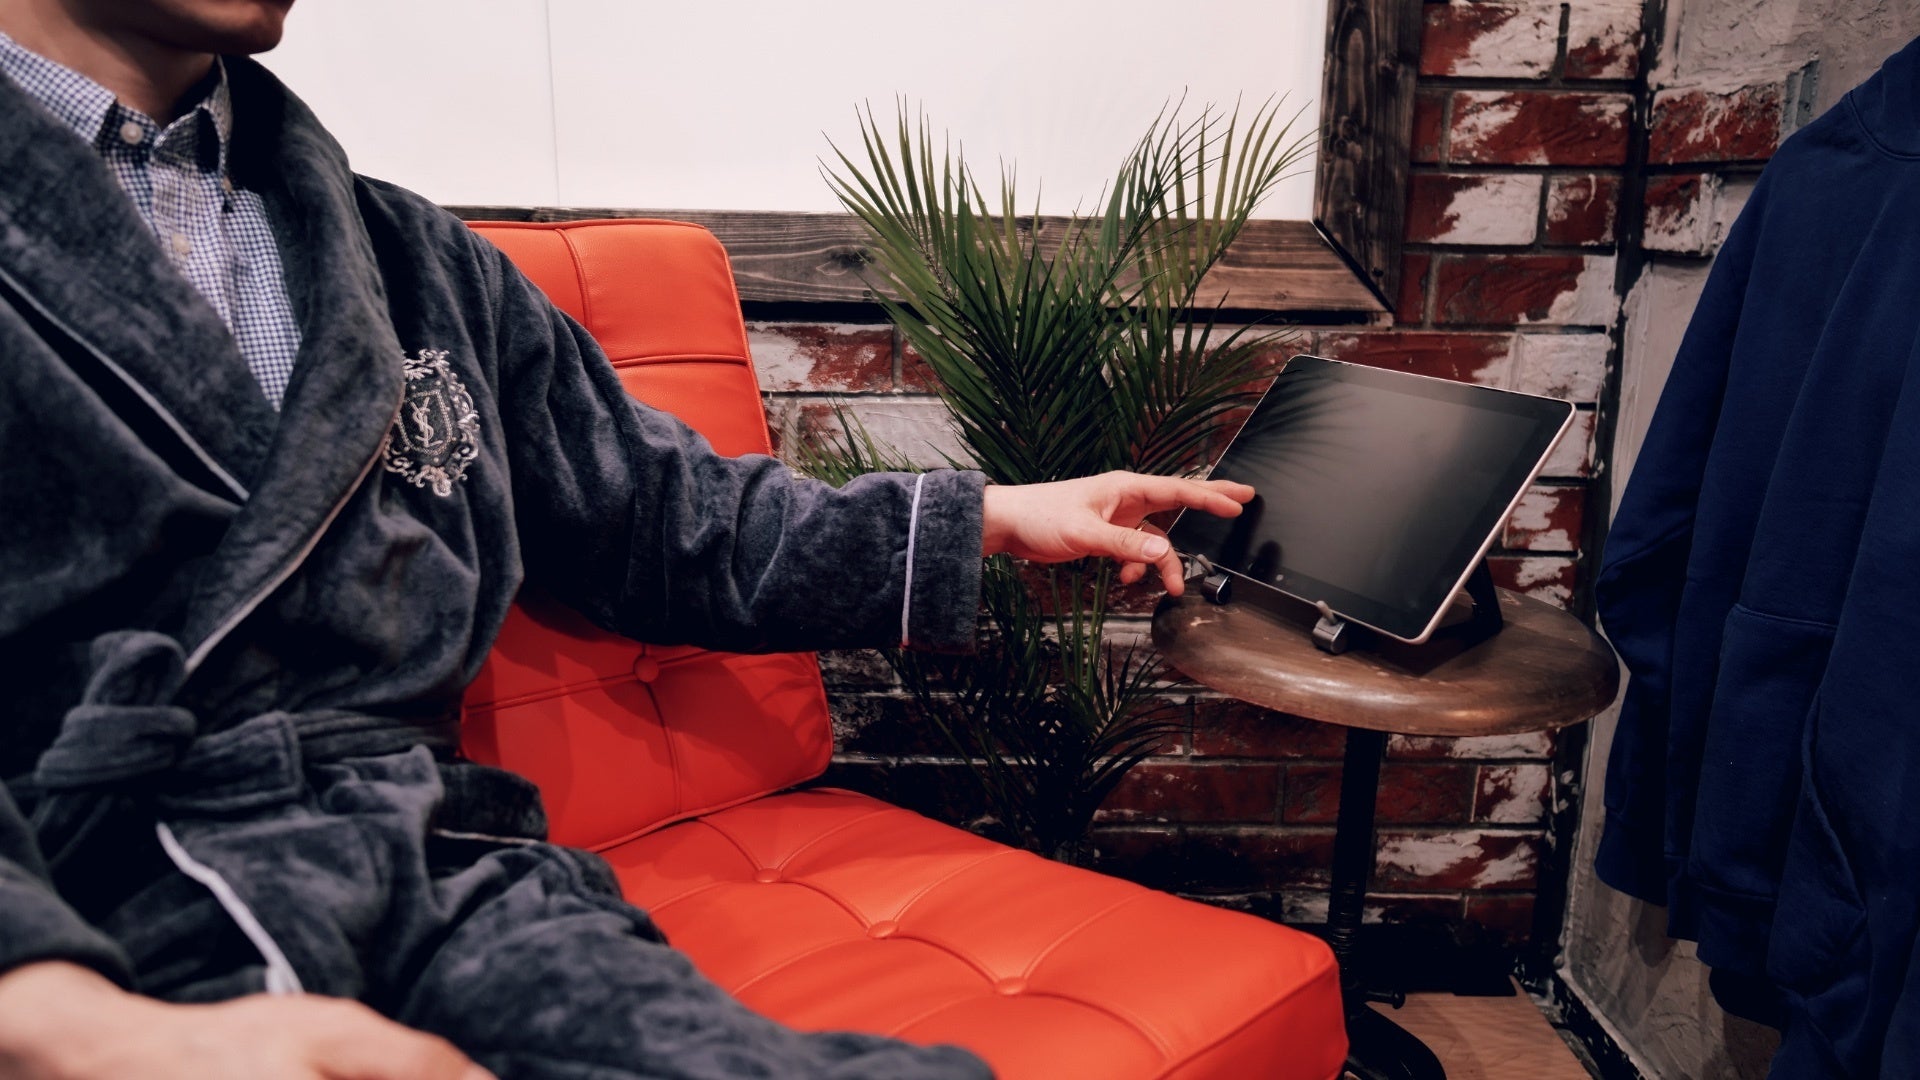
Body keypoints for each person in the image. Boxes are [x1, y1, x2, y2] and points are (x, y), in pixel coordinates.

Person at [0, 1, 1256, 1078]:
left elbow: (662, 515)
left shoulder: (410, 261)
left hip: (438, 876)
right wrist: (61, 1023)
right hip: (76, 901)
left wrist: (987, 516)